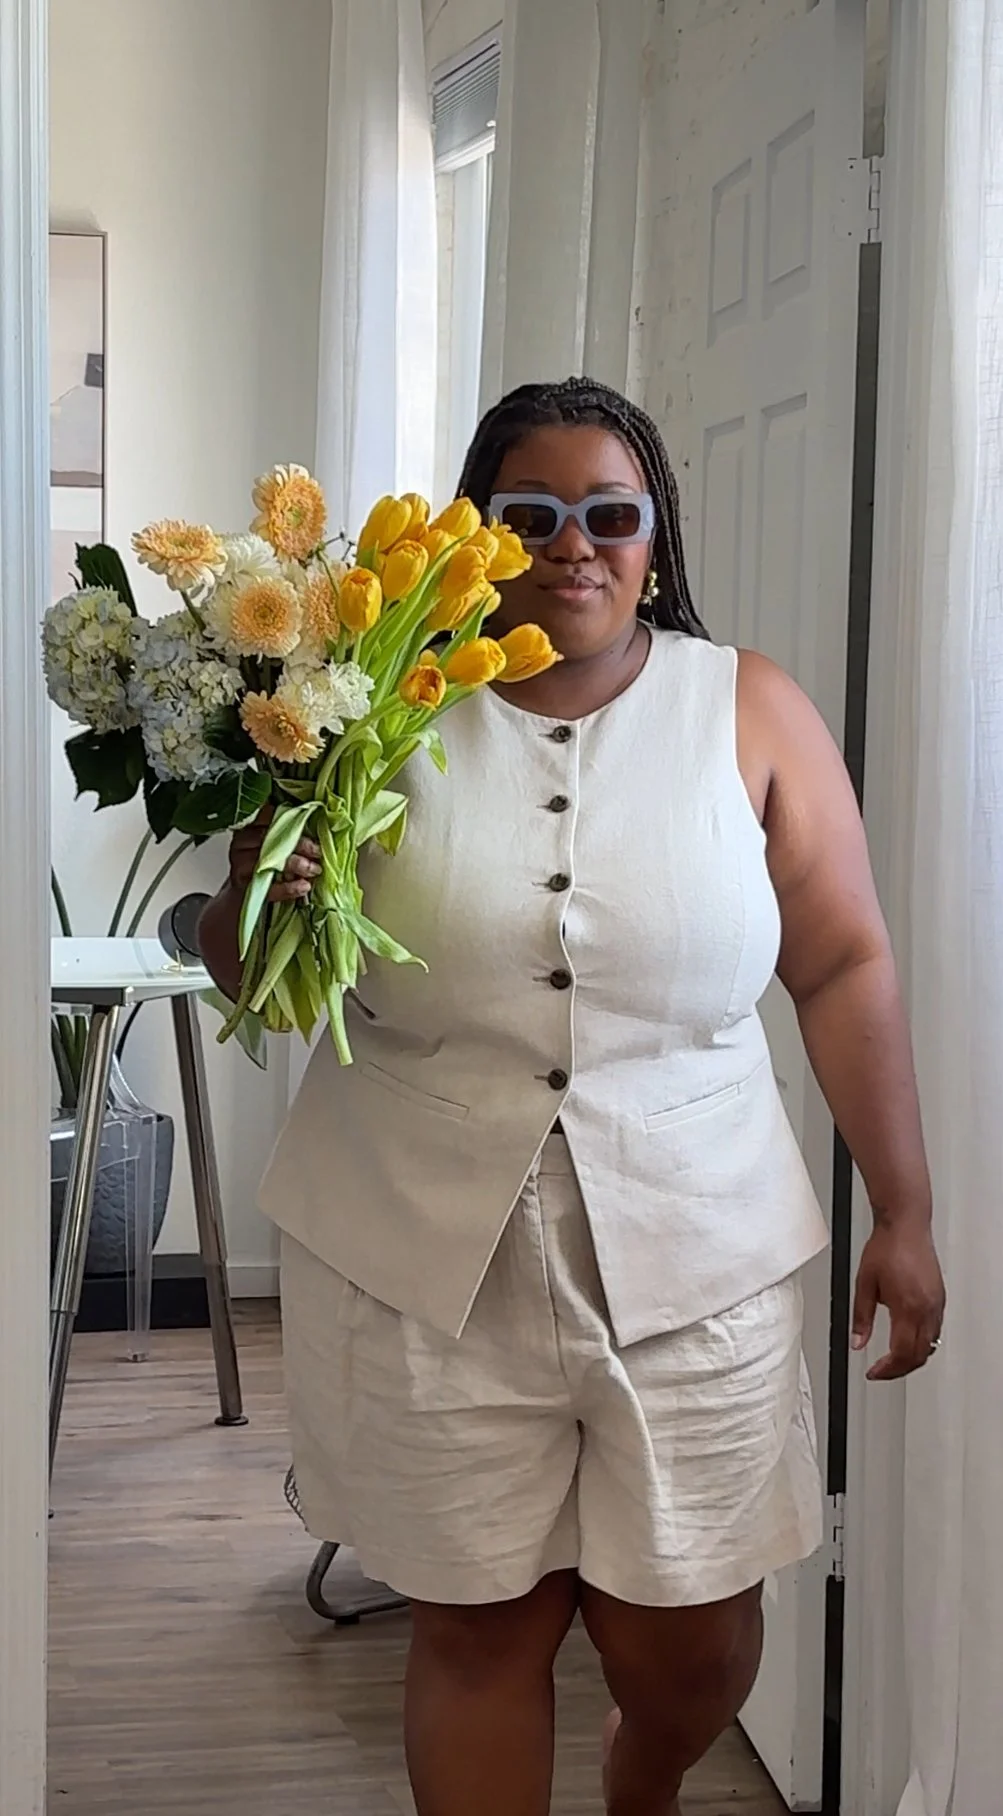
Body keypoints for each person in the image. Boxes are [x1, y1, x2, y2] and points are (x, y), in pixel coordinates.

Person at [198, 377, 945, 1816]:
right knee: (478, 1625)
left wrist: (901, 1209)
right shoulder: (369, 710)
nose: (571, 545)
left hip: (697, 1249)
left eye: (609, 514)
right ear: (472, 539)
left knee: (688, 1649)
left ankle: (645, 1773)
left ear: (653, 538)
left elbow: (843, 960)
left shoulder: (750, 710)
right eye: (526, 516)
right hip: (418, 1251)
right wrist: (253, 894)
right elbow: (258, 980)